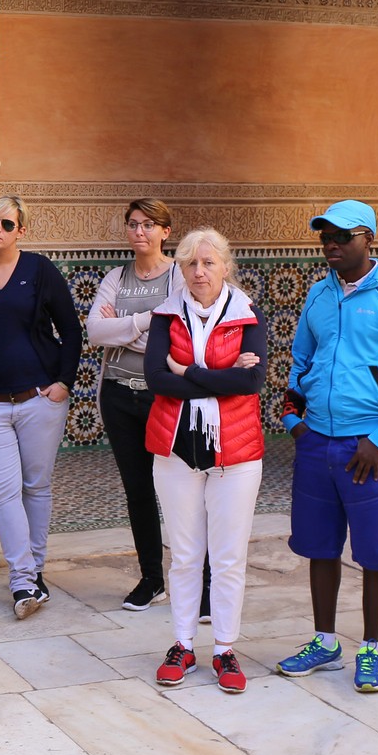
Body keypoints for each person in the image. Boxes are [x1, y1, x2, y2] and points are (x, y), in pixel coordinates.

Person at [276, 199, 378, 695]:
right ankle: (325, 642)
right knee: (320, 547)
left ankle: (370, 647)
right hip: (317, 442)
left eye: (342, 237)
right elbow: (301, 361)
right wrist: (295, 422)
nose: (332, 245)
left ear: (369, 238)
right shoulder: (319, 295)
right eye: (325, 237)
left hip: (369, 448)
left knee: (376, 550)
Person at [143, 228, 266, 691]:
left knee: (229, 556)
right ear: (180, 268)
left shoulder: (248, 314)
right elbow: (157, 379)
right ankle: (182, 644)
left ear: (225, 267)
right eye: (191, 263)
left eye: (209, 263)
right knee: (185, 554)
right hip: (176, 450)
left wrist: (188, 371)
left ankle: (226, 649)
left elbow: (251, 385)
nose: (199, 272)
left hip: (235, 453)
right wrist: (220, 376)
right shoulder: (165, 315)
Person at [0, 195, 84, 620]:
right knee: (3, 493)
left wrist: (63, 382)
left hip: (38, 402)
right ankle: (23, 580)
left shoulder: (40, 271)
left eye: (7, 224)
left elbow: (70, 330)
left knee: (36, 487)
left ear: (20, 231)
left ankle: (37, 571)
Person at [87, 198, 182, 611]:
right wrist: (147, 322)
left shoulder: (180, 276)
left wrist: (122, 328)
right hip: (118, 395)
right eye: (132, 224)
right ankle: (151, 579)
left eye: (148, 225)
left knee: (181, 488)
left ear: (165, 231)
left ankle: (200, 581)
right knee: (138, 490)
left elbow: (178, 338)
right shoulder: (116, 277)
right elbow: (95, 331)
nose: (139, 232)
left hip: (165, 396)